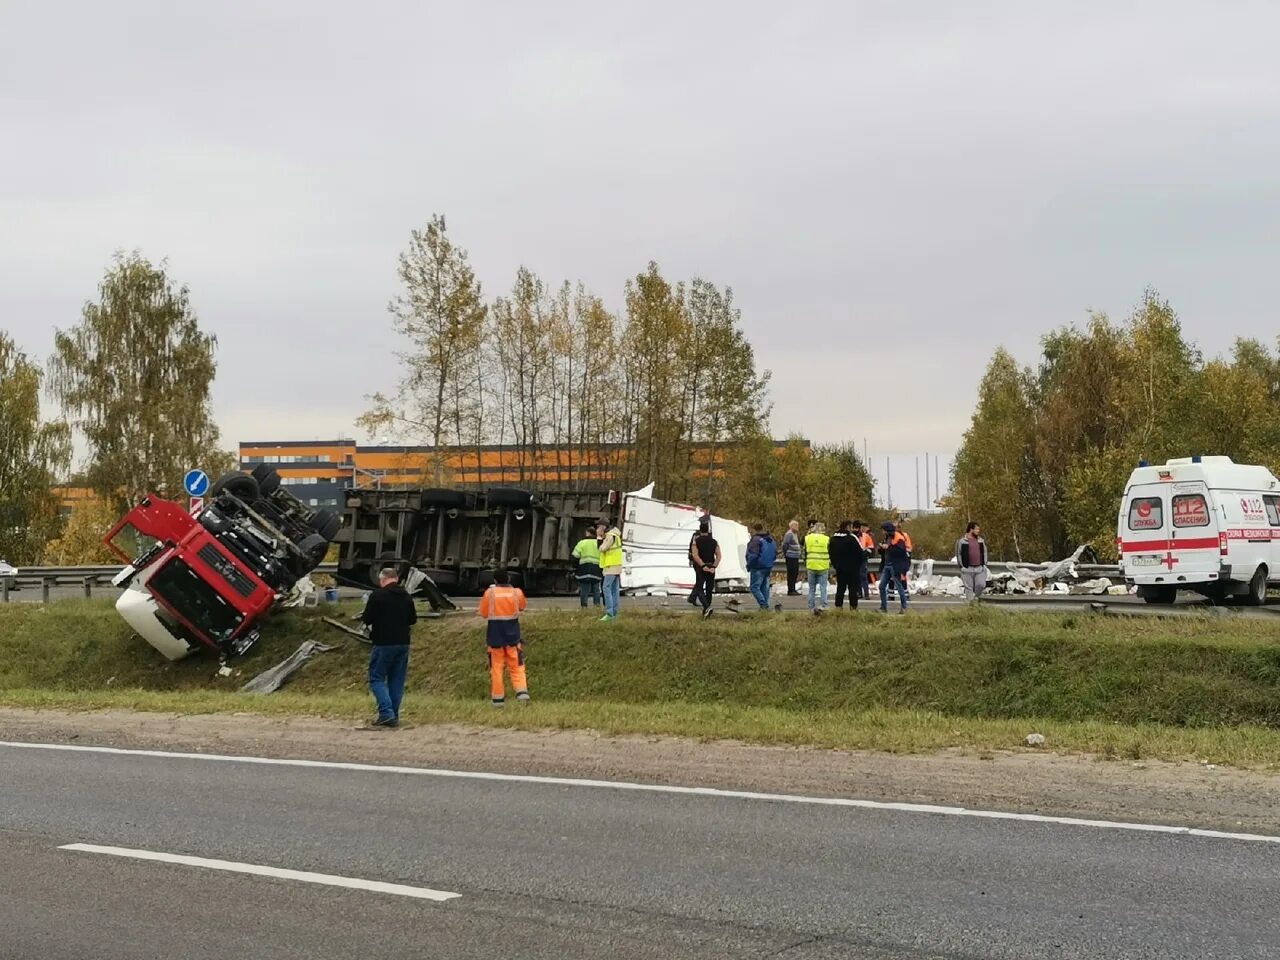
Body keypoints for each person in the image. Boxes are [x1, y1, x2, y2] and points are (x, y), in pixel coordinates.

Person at [361, 566, 417, 728]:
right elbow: (412, 619)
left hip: (383, 642)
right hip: (403, 643)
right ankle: (394, 715)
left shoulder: (378, 596)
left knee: (376, 678)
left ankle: (386, 713)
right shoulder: (406, 596)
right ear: (396, 579)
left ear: (383, 579)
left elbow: (367, 618)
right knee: (396, 680)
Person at [478, 569, 530, 706]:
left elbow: (483, 613)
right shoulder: (516, 592)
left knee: (497, 668)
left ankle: (498, 700)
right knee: (517, 666)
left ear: (494, 581)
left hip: (495, 636)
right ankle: (522, 694)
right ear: (509, 579)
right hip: (513, 636)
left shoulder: (490, 593)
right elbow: (522, 606)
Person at [690, 521, 721, 618]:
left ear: (700, 530)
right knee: (709, 589)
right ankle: (706, 611)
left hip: (701, 567)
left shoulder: (696, 541)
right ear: (708, 530)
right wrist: (714, 566)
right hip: (711, 566)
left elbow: (695, 555)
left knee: (699, 588)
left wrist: (703, 566)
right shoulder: (714, 541)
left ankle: (707, 607)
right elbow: (719, 555)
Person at [828, 520, 862, 610]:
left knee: (840, 589)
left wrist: (836, 565)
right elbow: (860, 553)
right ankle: (853, 608)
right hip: (852, 569)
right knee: (853, 589)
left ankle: (838, 607)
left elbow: (831, 553)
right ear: (847, 527)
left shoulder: (833, 539)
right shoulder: (851, 539)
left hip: (840, 568)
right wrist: (859, 563)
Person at [878, 521, 911, 613]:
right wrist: (881, 549)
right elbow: (886, 550)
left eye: (883, 530)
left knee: (899, 586)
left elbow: (901, 551)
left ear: (887, 530)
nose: (882, 532)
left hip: (896, 565)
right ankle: (883, 607)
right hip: (887, 564)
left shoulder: (899, 537)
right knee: (882, 586)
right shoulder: (887, 537)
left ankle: (904, 607)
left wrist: (888, 547)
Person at [745, 523, 777, 611]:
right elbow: (775, 551)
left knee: (754, 587)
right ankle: (765, 607)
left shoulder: (755, 540)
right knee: (764, 587)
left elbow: (753, 555)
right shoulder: (770, 538)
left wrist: (749, 565)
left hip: (758, 566)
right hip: (768, 566)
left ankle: (764, 605)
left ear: (754, 530)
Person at [956, 521, 989, 601]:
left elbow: (984, 551)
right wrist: (961, 566)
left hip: (979, 568)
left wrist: (984, 563)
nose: (978, 531)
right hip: (967, 568)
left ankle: (976, 597)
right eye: (977, 529)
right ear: (971, 529)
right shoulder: (962, 541)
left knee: (981, 584)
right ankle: (971, 606)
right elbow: (958, 554)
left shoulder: (981, 541)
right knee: (969, 588)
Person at [571, 525, 603, 608]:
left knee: (584, 589)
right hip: (596, 570)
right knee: (596, 589)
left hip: (584, 569)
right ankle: (597, 606)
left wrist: (575, 568)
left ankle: (584, 606)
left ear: (588, 533)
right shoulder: (598, 543)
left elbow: (575, 556)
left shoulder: (582, 543)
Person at [599, 522, 624, 621]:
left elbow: (602, 548)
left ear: (604, 527)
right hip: (617, 565)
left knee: (606, 588)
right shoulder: (616, 536)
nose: (598, 528)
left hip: (611, 566)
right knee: (614, 590)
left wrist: (600, 538)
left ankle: (609, 613)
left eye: (599, 526)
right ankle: (615, 613)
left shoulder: (610, 536)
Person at [804, 521, 830, 614]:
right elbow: (829, 551)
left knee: (812, 588)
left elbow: (805, 552)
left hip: (811, 565)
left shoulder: (807, 538)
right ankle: (824, 605)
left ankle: (811, 607)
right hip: (823, 566)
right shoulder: (827, 539)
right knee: (823, 588)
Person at [782, 520, 803, 596]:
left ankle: (793, 589)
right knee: (791, 573)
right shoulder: (789, 534)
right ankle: (791, 590)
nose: (797, 527)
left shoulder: (795, 534)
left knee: (795, 573)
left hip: (795, 556)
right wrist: (786, 554)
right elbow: (785, 545)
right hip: (791, 556)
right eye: (796, 525)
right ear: (791, 526)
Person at [858, 522, 876, 599]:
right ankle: (859, 593)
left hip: (863, 558)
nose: (862, 529)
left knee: (863, 576)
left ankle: (866, 594)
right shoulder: (855, 535)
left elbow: (871, 547)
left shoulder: (866, 536)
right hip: (856, 558)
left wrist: (866, 553)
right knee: (857, 577)